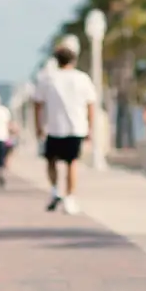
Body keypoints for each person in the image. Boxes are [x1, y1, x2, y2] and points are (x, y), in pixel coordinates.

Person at [33, 35, 96, 215]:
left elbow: (37, 104)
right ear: (74, 59)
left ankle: (54, 190)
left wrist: (39, 126)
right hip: (76, 127)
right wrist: (90, 128)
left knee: (51, 161)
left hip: (53, 127)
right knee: (71, 163)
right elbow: (90, 104)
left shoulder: (47, 78)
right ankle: (69, 197)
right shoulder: (82, 78)